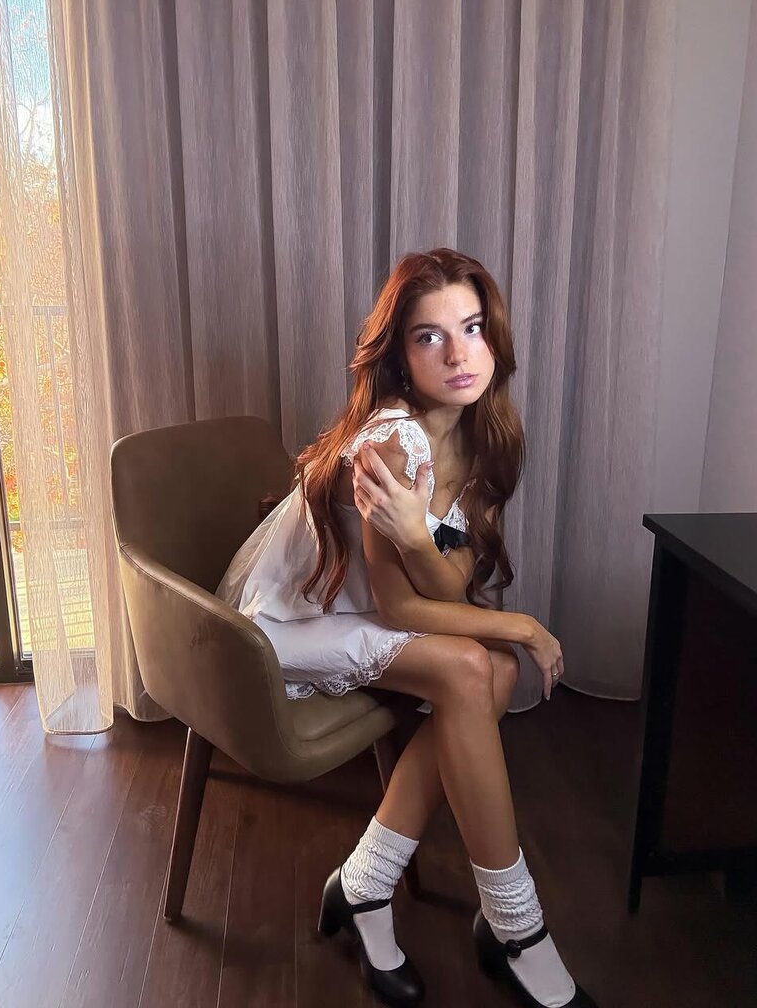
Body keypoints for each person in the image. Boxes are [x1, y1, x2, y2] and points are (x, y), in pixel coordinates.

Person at [216, 248, 597, 1008]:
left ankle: (364, 884)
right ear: (400, 356)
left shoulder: (483, 435)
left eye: (472, 328)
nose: (459, 354)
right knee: (479, 665)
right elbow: (400, 609)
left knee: (493, 670)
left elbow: (446, 583)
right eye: (431, 336)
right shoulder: (394, 443)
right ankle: (515, 925)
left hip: (356, 609)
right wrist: (525, 625)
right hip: (286, 623)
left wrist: (422, 539)